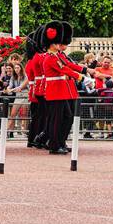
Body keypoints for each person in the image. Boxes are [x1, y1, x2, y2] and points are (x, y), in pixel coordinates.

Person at [41, 21, 82, 155]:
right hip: (55, 92)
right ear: (51, 44)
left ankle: (59, 142)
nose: (59, 45)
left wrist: (85, 71)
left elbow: (68, 65)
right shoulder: (49, 58)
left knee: (66, 117)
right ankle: (54, 145)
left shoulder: (56, 56)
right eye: (57, 43)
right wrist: (79, 76)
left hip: (60, 91)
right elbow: (64, 69)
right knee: (56, 120)